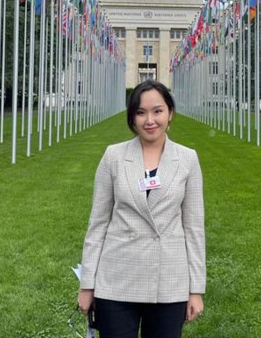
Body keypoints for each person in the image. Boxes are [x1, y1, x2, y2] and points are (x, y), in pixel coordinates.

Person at [77, 79, 205, 337]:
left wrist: (196, 289)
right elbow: (98, 223)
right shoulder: (113, 156)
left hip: (169, 281)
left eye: (157, 111)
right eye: (140, 112)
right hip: (117, 279)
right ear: (132, 117)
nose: (150, 120)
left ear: (170, 114)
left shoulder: (188, 159)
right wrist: (87, 285)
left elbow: (193, 228)